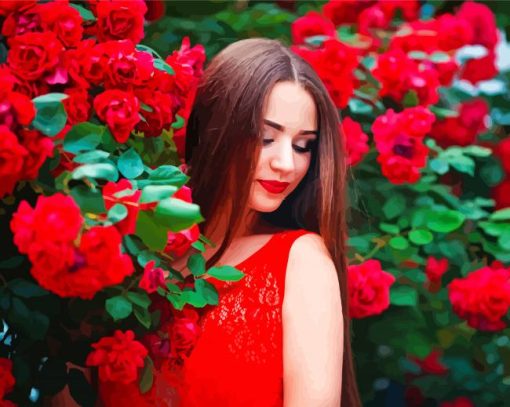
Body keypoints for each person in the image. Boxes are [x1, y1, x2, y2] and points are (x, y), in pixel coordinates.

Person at [168, 37, 362, 406]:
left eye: (303, 144)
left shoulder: (300, 261)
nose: (287, 164)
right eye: (265, 137)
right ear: (216, 131)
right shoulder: (141, 260)